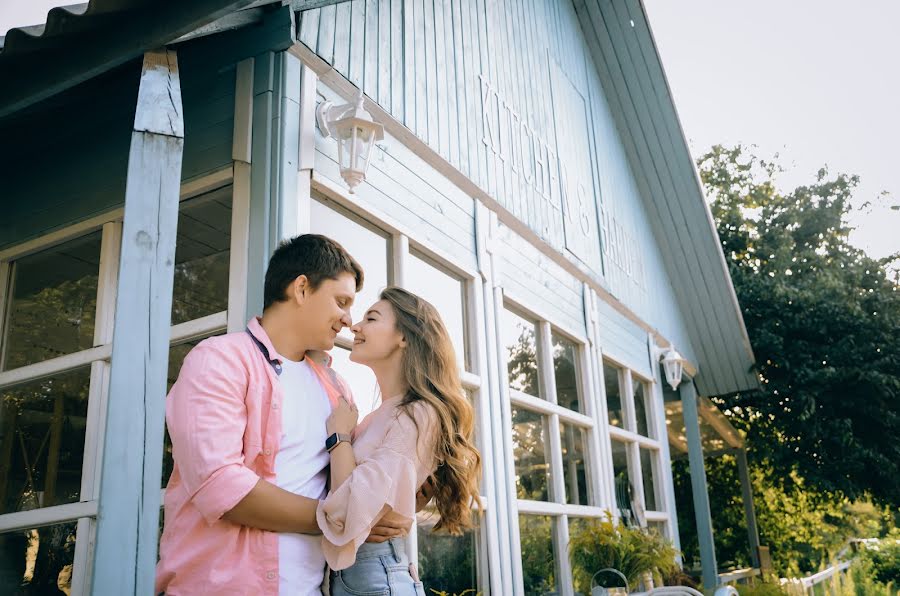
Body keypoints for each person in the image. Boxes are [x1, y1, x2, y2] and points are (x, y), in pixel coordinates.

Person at [155, 234, 407, 596]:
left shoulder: (338, 392)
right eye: (341, 301)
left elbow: (354, 486)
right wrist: (340, 518)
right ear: (302, 289)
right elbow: (221, 487)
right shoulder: (220, 360)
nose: (348, 320)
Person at [316, 287, 482, 595]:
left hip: (375, 578)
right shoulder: (377, 416)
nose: (355, 326)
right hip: (355, 576)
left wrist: (339, 437)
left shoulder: (421, 413)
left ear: (404, 337)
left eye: (372, 318)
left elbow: (347, 512)